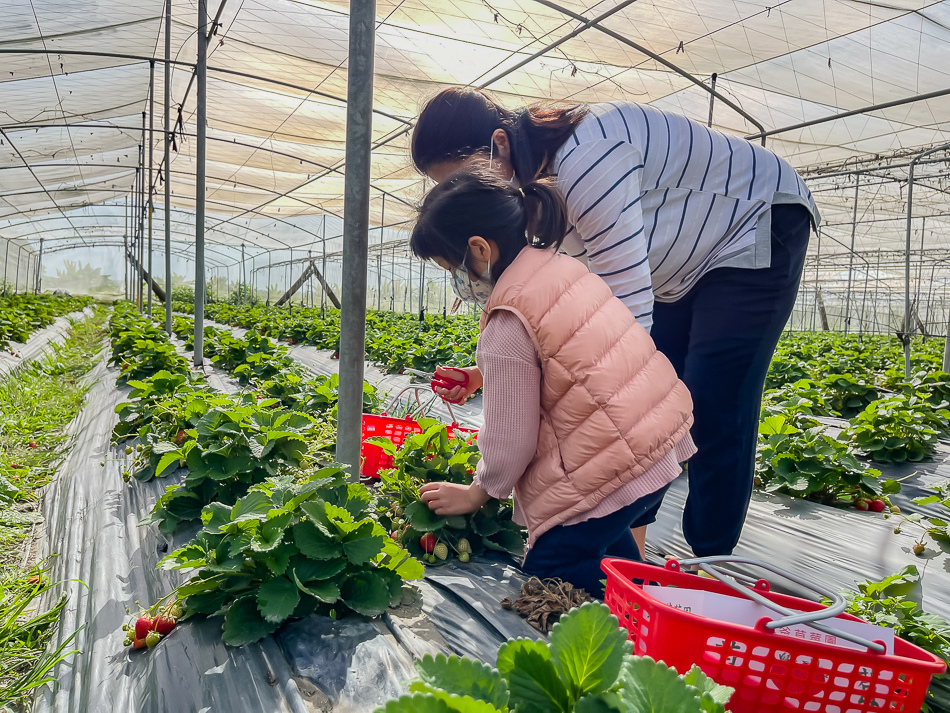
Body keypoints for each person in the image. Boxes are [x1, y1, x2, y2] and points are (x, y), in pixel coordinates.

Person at [412, 88, 818, 558]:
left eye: (462, 179)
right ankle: (632, 565)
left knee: (710, 399)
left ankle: (711, 563)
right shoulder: (534, 199)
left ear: (500, 144)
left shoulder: (588, 157)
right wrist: (496, 371)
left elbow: (623, 311)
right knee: (655, 394)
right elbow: (573, 314)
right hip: (676, 268)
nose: (458, 198)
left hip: (752, 224)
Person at [413, 166, 696, 597]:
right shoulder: (559, 268)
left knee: (551, 568)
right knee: (609, 555)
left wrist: (477, 492)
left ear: (478, 249)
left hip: (612, 464)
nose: (456, 280)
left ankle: (617, 644)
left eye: (450, 266)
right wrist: (481, 376)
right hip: (660, 440)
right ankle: (645, 609)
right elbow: (571, 356)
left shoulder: (507, 321)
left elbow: (512, 440)